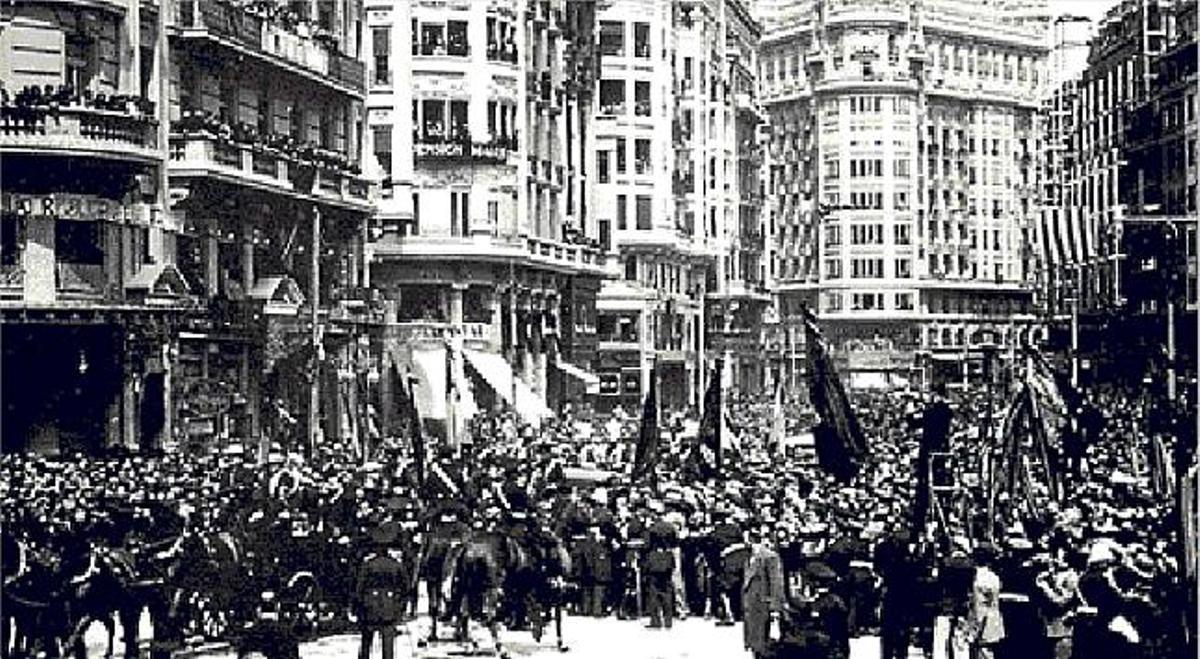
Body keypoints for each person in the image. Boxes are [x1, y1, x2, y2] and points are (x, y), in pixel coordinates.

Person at [355, 524, 407, 659]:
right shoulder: (396, 565)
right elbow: (404, 587)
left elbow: (360, 587)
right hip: (389, 605)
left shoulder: (368, 564)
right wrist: (401, 606)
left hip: (370, 604)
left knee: (366, 641)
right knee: (388, 643)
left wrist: (358, 606)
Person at [741, 524, 784, 659]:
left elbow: (776, 583)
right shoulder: (749, 558)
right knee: (755, 644)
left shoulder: (770, 557)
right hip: (752, 605)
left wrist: (775, 608)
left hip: (763, 604)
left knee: (764, 645)